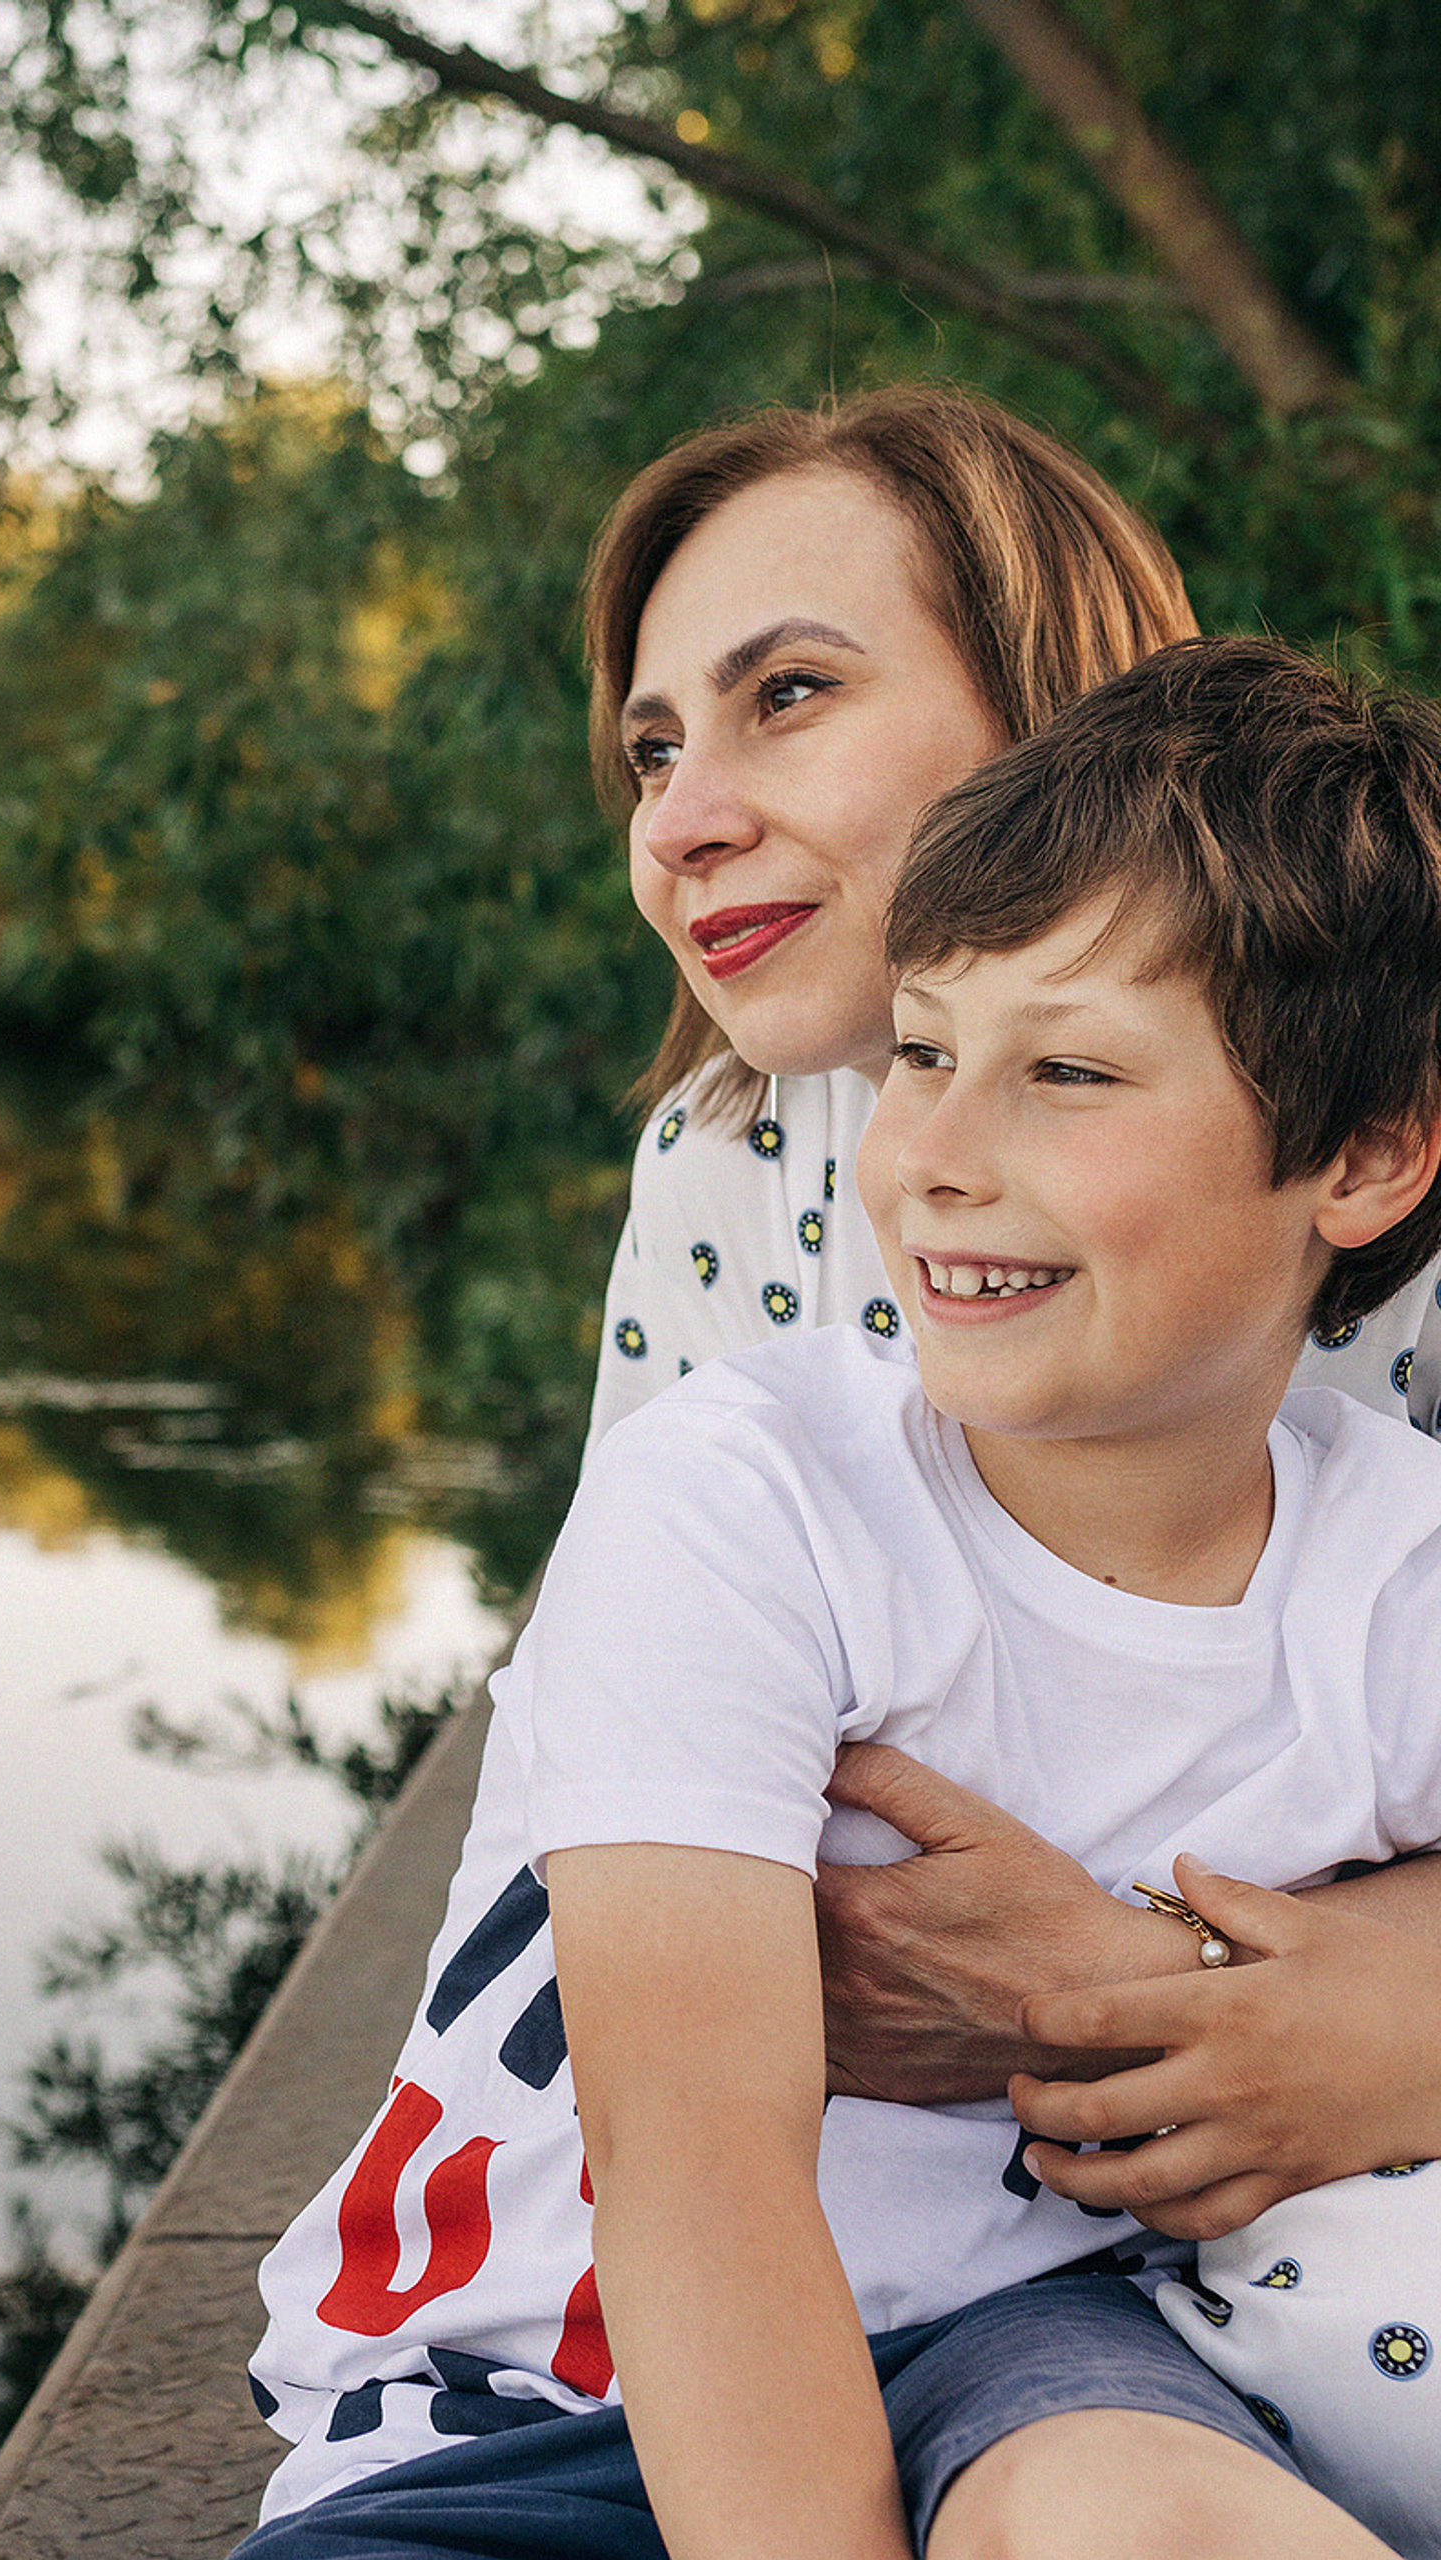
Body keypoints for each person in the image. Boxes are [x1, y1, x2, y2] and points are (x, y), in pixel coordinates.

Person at [236, 637, 1441, 2558]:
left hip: (1026, 2351)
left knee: (1150, 2519)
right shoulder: (745, 1499)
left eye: (1066, 1073)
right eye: (927, 1053)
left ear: (1364, 1158)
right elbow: (695, 2168)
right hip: (546, 2381)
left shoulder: (1397, 1569)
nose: (935, 1159)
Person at [576, 385, 1441, 2234]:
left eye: (785, 693)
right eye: (651, 751)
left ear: (1061, 719)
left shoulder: (1357, 1139)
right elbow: (655, 1780)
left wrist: (1301, 1997)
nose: (682, 822)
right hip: (900, 2216)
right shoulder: (721, 1158)